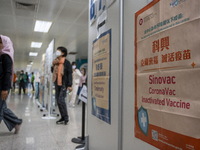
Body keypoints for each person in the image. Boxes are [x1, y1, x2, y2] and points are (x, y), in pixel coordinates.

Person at [0, 35, 22, 134]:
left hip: (2, 87)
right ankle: (16, 122)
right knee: (2, 108)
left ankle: (16, 122)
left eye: (0, 43)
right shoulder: (1, 56)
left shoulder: (6, 56)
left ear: (5, 44)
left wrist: (5, 89)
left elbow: (7, 73)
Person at [52, 46, 72, 125]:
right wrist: (53, 66)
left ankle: (66, 117)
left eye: (58, 51)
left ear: (63, 53)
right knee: (58, 101)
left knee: (61, 100)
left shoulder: (66, 63)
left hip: (64, 83)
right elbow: (53, 72)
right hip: (57, 83)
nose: (57, 52)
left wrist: (70, 85)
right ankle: (62, 117)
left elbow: (70, 74)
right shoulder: (56, 62)